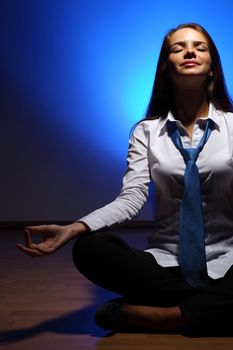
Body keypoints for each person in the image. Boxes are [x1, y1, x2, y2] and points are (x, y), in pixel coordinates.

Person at [17, 23, 233, 336]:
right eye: (178, 48)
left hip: (228, 260)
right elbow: (131, 199)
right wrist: (75, 227)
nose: (189, 51)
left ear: (212, 66)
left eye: (200, 47)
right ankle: (209, 310)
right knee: (89, 247)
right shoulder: (146, 132)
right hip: (166, 265)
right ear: (166, 68)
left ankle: (168, 316)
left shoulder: (231, 127)